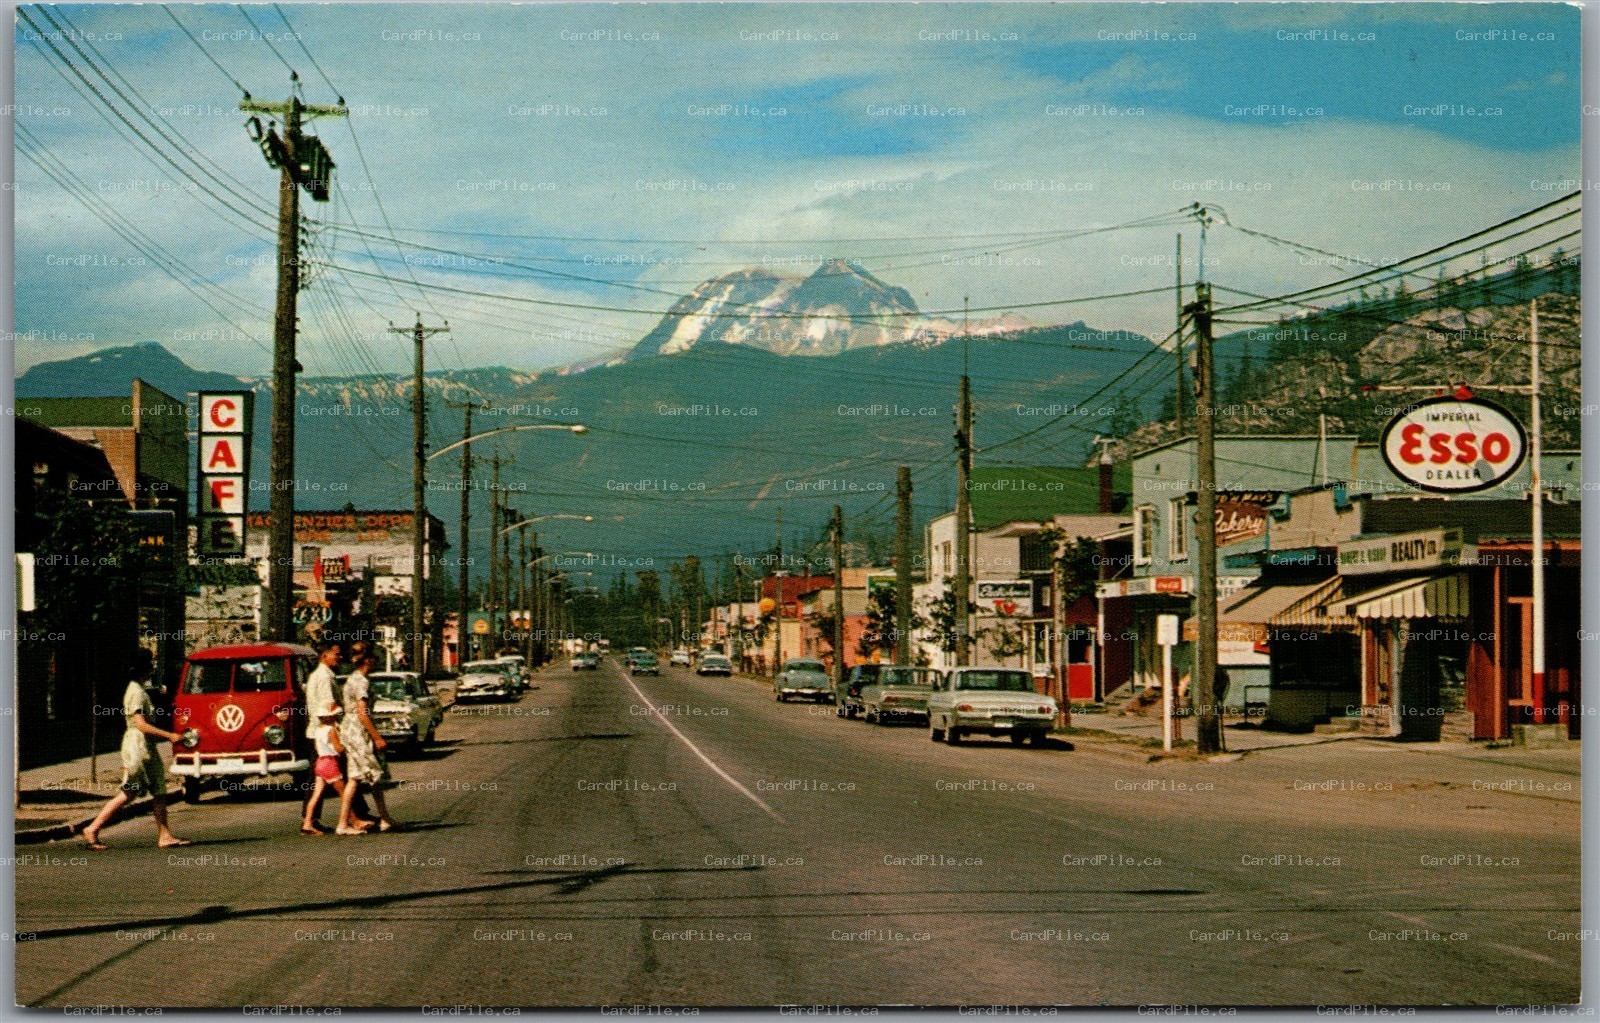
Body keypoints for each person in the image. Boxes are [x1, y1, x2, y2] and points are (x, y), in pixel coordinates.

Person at [82, 648, 191, 850]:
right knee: (131, 791)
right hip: (137, 746)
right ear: (142, 669)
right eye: (149, 666)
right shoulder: (135, 692)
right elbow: (140, 724)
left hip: (144, 745)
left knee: (157, 790)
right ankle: (92, 828)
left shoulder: (139, 690)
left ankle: (164, 835)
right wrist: (169, 736)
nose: (152, 669)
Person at [338, 651, 396, 833]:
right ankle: (381, 819)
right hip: (358, 731)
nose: (376, 661)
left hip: (350, 730)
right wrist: (377, 737)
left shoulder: (353, 678)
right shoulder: (361, 682)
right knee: (373, 773)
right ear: (367, 660)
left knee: (355, 776)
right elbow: (362, 713)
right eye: (374, 658)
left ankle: (346, 822)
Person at [301, 702, 348, 836]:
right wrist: (346, 748)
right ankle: (352, 821)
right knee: (345, 795)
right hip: (330, 763)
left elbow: (317, 747)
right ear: (329, 717)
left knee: (316, 795)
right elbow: (338, 748)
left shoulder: (318, 730)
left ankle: (307, 822)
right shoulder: (331, 730)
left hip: (320, 762)